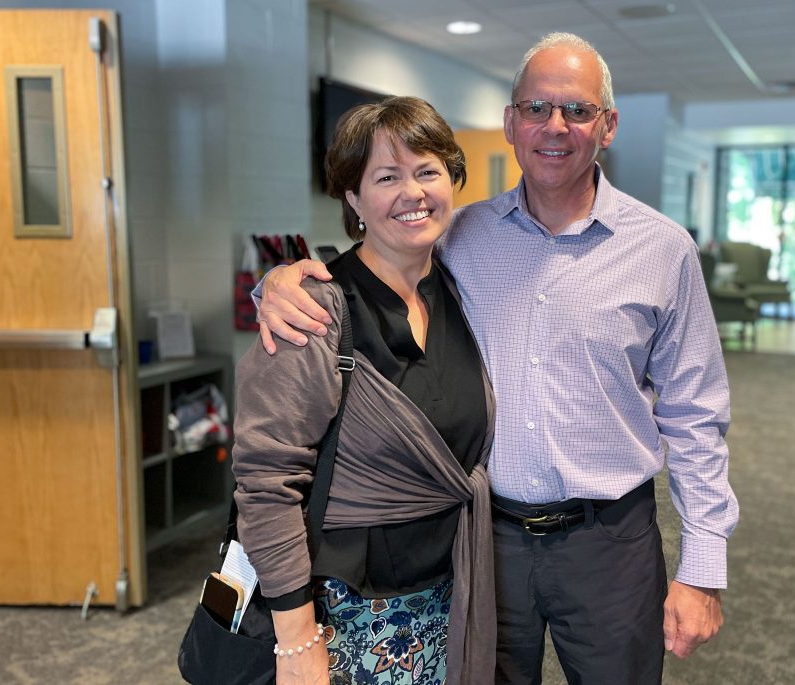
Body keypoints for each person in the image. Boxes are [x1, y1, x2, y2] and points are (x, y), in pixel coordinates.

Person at [255, 33, 739, 685]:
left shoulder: (664, 250)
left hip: (610, 541)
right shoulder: (459, 234)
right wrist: (277, 283)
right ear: (511, 123)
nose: (555, 127)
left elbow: (696, 416)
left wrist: (702, 567)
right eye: (536, 109)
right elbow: (368, 267)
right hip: (486, 539)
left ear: (609, 124)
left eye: (577, 109)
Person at [232, 95, 496, 685]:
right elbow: (267, 483)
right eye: (387, 177)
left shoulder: (463, 292)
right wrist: (296, 641)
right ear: (353, 198)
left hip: (450, 596)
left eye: (428, 171)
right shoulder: (313, 310)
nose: (413, 192)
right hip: (342, 615)